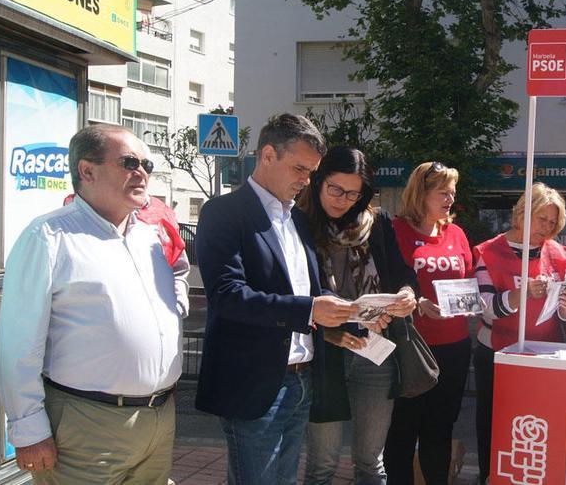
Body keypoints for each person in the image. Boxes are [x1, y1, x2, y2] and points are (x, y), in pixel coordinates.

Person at [0, 124, 189, 484]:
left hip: (158, 419)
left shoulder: (149, 238)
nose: (142, 172)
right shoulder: (49, 236)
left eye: (146, 164)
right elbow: (17, 344)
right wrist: (28, 429)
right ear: (86, 170)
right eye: (130, 162)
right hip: (86, 423)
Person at [194, 114, 357, 485]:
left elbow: (312, 291)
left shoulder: (297, 220)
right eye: (299, 168)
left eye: (311, 172)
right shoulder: (224, 213)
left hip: (301, 381)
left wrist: (354, 309)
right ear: (267, 156)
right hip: (255, 385)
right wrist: (310, 309)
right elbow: (227, 296)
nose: (306, 180)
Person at [299, 146, 417, 485]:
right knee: (323, 464)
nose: (343, 199)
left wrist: (408, 294)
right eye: (335, 189)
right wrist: (329, 332)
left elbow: (400, 271)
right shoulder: (300, 221)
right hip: (323, 355)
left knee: (370, 462)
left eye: (353, 193)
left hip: (374, 351)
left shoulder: (376, 222)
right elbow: (296, 293)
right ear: (318, 181)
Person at [472, 182, 566, 484]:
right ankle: (489, 478)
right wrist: (521, 293)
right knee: (494, 426)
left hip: (544, 358)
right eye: (540, 218)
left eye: (552, 222)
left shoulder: (557, 253)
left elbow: (564, 311)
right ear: (521, 214)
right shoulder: (489, 252)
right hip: (497, 354)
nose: (546, 227)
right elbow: (485, 308)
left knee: (540, 427)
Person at [384, 162, 474, 485]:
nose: (449, 199)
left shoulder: (457, 234)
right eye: (442, 192)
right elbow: (384, 281)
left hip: (455, 346)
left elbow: (468, 280)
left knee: (440, 428)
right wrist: (417, 303)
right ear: (421, 194)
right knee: (403, 430)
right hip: (411, 347)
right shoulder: (396, 230)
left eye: (452, 192)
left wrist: (470, 300)